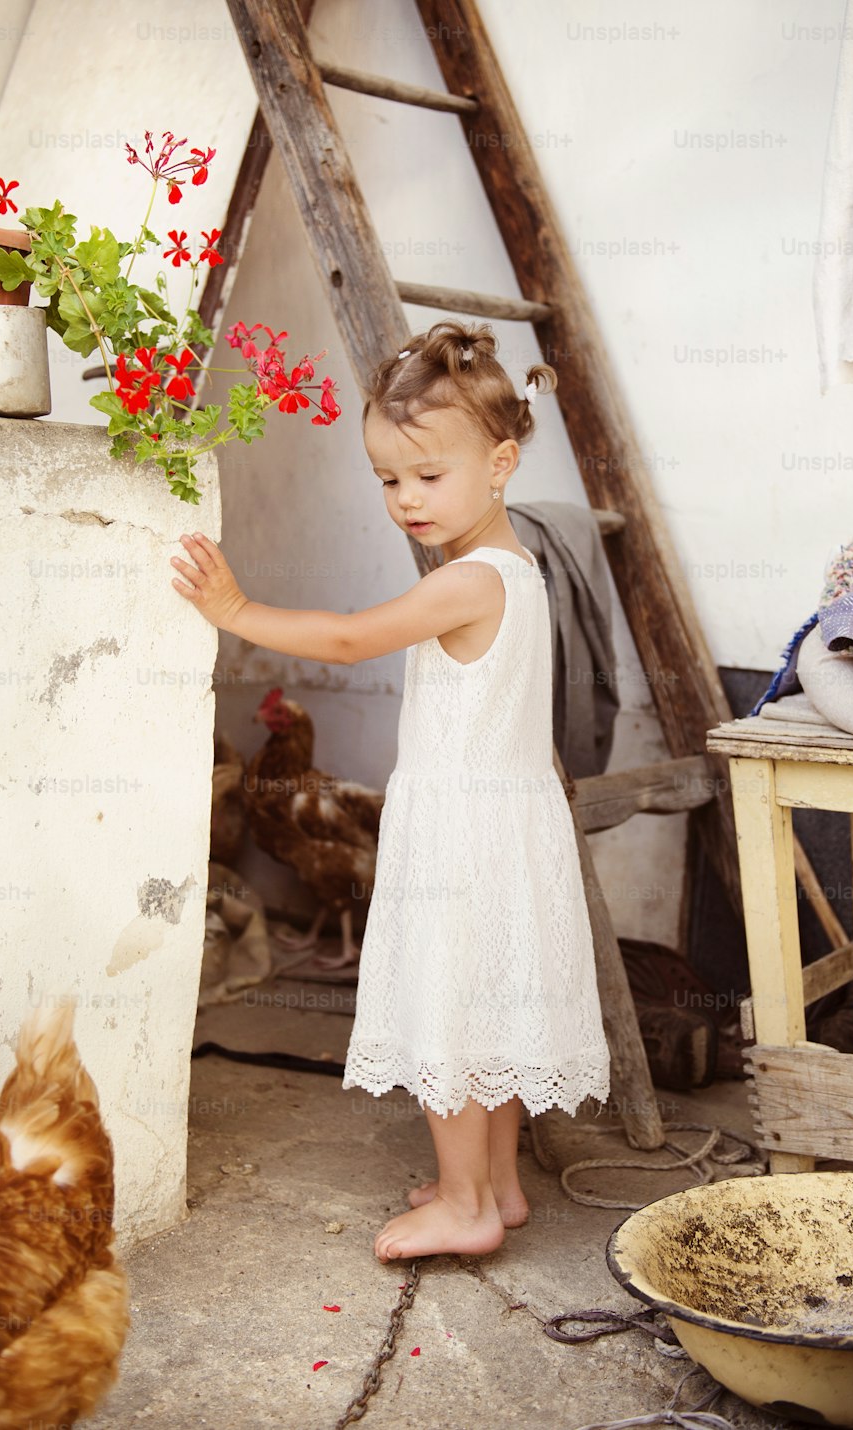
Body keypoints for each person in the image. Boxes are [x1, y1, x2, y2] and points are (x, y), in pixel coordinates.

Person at [170, 321, 611, 1262]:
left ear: (500, 463)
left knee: (449, 1008)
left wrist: (237, 612)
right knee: (484, 1006)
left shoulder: (468, 584)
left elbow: (346, 640)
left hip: (462, 832)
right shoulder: (514, 570)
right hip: (506, 823)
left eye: (427, 476)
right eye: (387, 480)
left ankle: (464, 1205)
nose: (405, 498)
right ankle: (495, 1184)